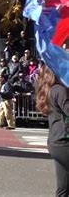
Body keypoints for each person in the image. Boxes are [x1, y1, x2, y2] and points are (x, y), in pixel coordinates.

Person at [36, 64, 69, 196]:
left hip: (57, 142)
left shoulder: (50, 89)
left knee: (63, 187)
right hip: (65, 141)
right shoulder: (60, 90)